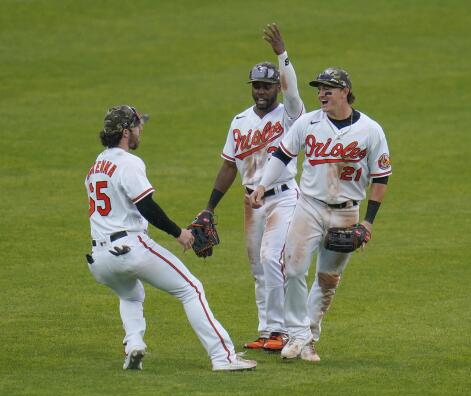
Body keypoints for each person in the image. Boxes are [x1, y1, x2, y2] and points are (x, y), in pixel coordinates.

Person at [84, 105, 256, 372]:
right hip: (130, 247)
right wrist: (179, 233)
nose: (142, 131)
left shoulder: (96, 165)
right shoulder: (128, 163)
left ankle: (133, 344)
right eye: (139, 126)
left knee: (131, 295)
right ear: (126, 132)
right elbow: (146, 206)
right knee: (191, 289)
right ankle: (224, 357)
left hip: (100, 259)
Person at [250, 68, 392, 361]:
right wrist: (263, 185)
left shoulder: (370, 130)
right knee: (293, 269)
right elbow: (282, 155)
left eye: (329, 88)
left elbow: (381, 177)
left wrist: (368, 221)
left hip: (347, 212)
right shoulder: (307, 122)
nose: (322, 93)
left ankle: (310, 336)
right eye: (319, 88)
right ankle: (298, 333)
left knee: (328, 280)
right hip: (310, 207)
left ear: (345, 92)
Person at [198, 23, 304, 352]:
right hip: (251, 203)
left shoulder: (290, 115)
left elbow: (293, 93)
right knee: (258, 267)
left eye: (267, 86)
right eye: (256, 86)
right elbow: (230, 165)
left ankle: (283, 330)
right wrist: (210, 207)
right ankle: (268, 331)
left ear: (275, 87)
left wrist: (282, 54)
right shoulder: (240, 121)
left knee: (273, 259)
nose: (261, 91)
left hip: (284, 198)